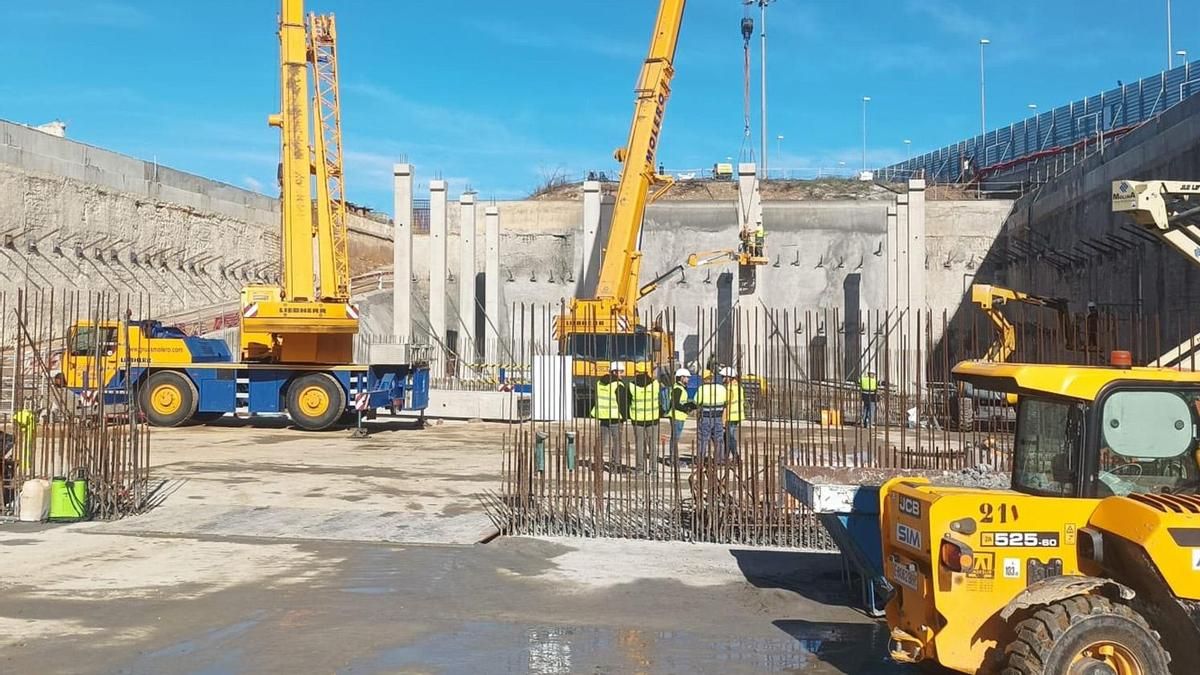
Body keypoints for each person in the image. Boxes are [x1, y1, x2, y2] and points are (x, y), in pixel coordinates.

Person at [591, 362, 629, 470]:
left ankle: (598, 463)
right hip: (615, 417)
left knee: (603, 440)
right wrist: (624, 417)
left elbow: (595, 398)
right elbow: (622, 403)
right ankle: (615, 465)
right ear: (616, 372)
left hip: (603, 416)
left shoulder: (599, 383)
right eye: (621, 372)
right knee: (617, 442)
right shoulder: (618, 385)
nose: (623, 374)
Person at [628, 365, 662, 474]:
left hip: (637, 419)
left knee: (639, 444)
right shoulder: (655, 384)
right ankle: (654, 469)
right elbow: (661, 399)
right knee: (652, 445)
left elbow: (628, 401)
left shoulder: (631, 385)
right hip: (652, 419)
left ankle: (640, 469)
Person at [694, 371, 727, 462]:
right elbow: (726, 401)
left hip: (705, 417)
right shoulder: (721, 388)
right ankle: (719, 459)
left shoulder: (702, 389)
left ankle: (700, 459)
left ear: (704, 379)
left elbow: (696, 401)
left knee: (703, 439)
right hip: (718, 417)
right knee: (719, 438)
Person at [668, 367, 695, 465]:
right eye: (687, 377)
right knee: (675, 438)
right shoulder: (678, 389)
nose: (688, 379)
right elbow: (675, 403)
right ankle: (673, 460)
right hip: (677, 417)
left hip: (679, 416)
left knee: (675, 438)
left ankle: (673, 459)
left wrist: (689, 405)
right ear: (681, 378)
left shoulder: (681, 388)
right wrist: (686, 408)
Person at [722, 367, 744, 461]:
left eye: (723, 376)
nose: (722, 379)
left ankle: (735, 456)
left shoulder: (730, 388)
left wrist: (723, 418)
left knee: (729, 437)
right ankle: (726, 456)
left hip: (731, 415)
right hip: (737, 415)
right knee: (728, 436)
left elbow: (726, 403)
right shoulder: (738, 386)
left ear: (729, 377)